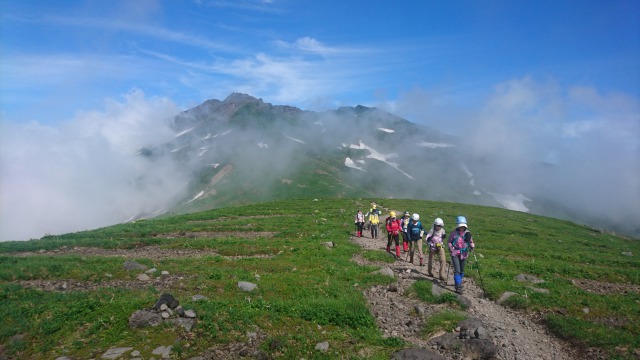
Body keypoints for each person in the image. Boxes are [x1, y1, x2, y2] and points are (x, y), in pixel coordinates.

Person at [448, 216, 475, 294]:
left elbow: (470, 241)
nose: (462, 228)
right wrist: (450, 248)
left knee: (462, 271)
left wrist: (472, 246)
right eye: (461, 226)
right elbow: (449, 242)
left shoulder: (468, 233)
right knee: (457, 270)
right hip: (455, 253)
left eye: (463, 226)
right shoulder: (453, 233)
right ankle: (458, 287)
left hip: (464, 253)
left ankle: (458, 283)